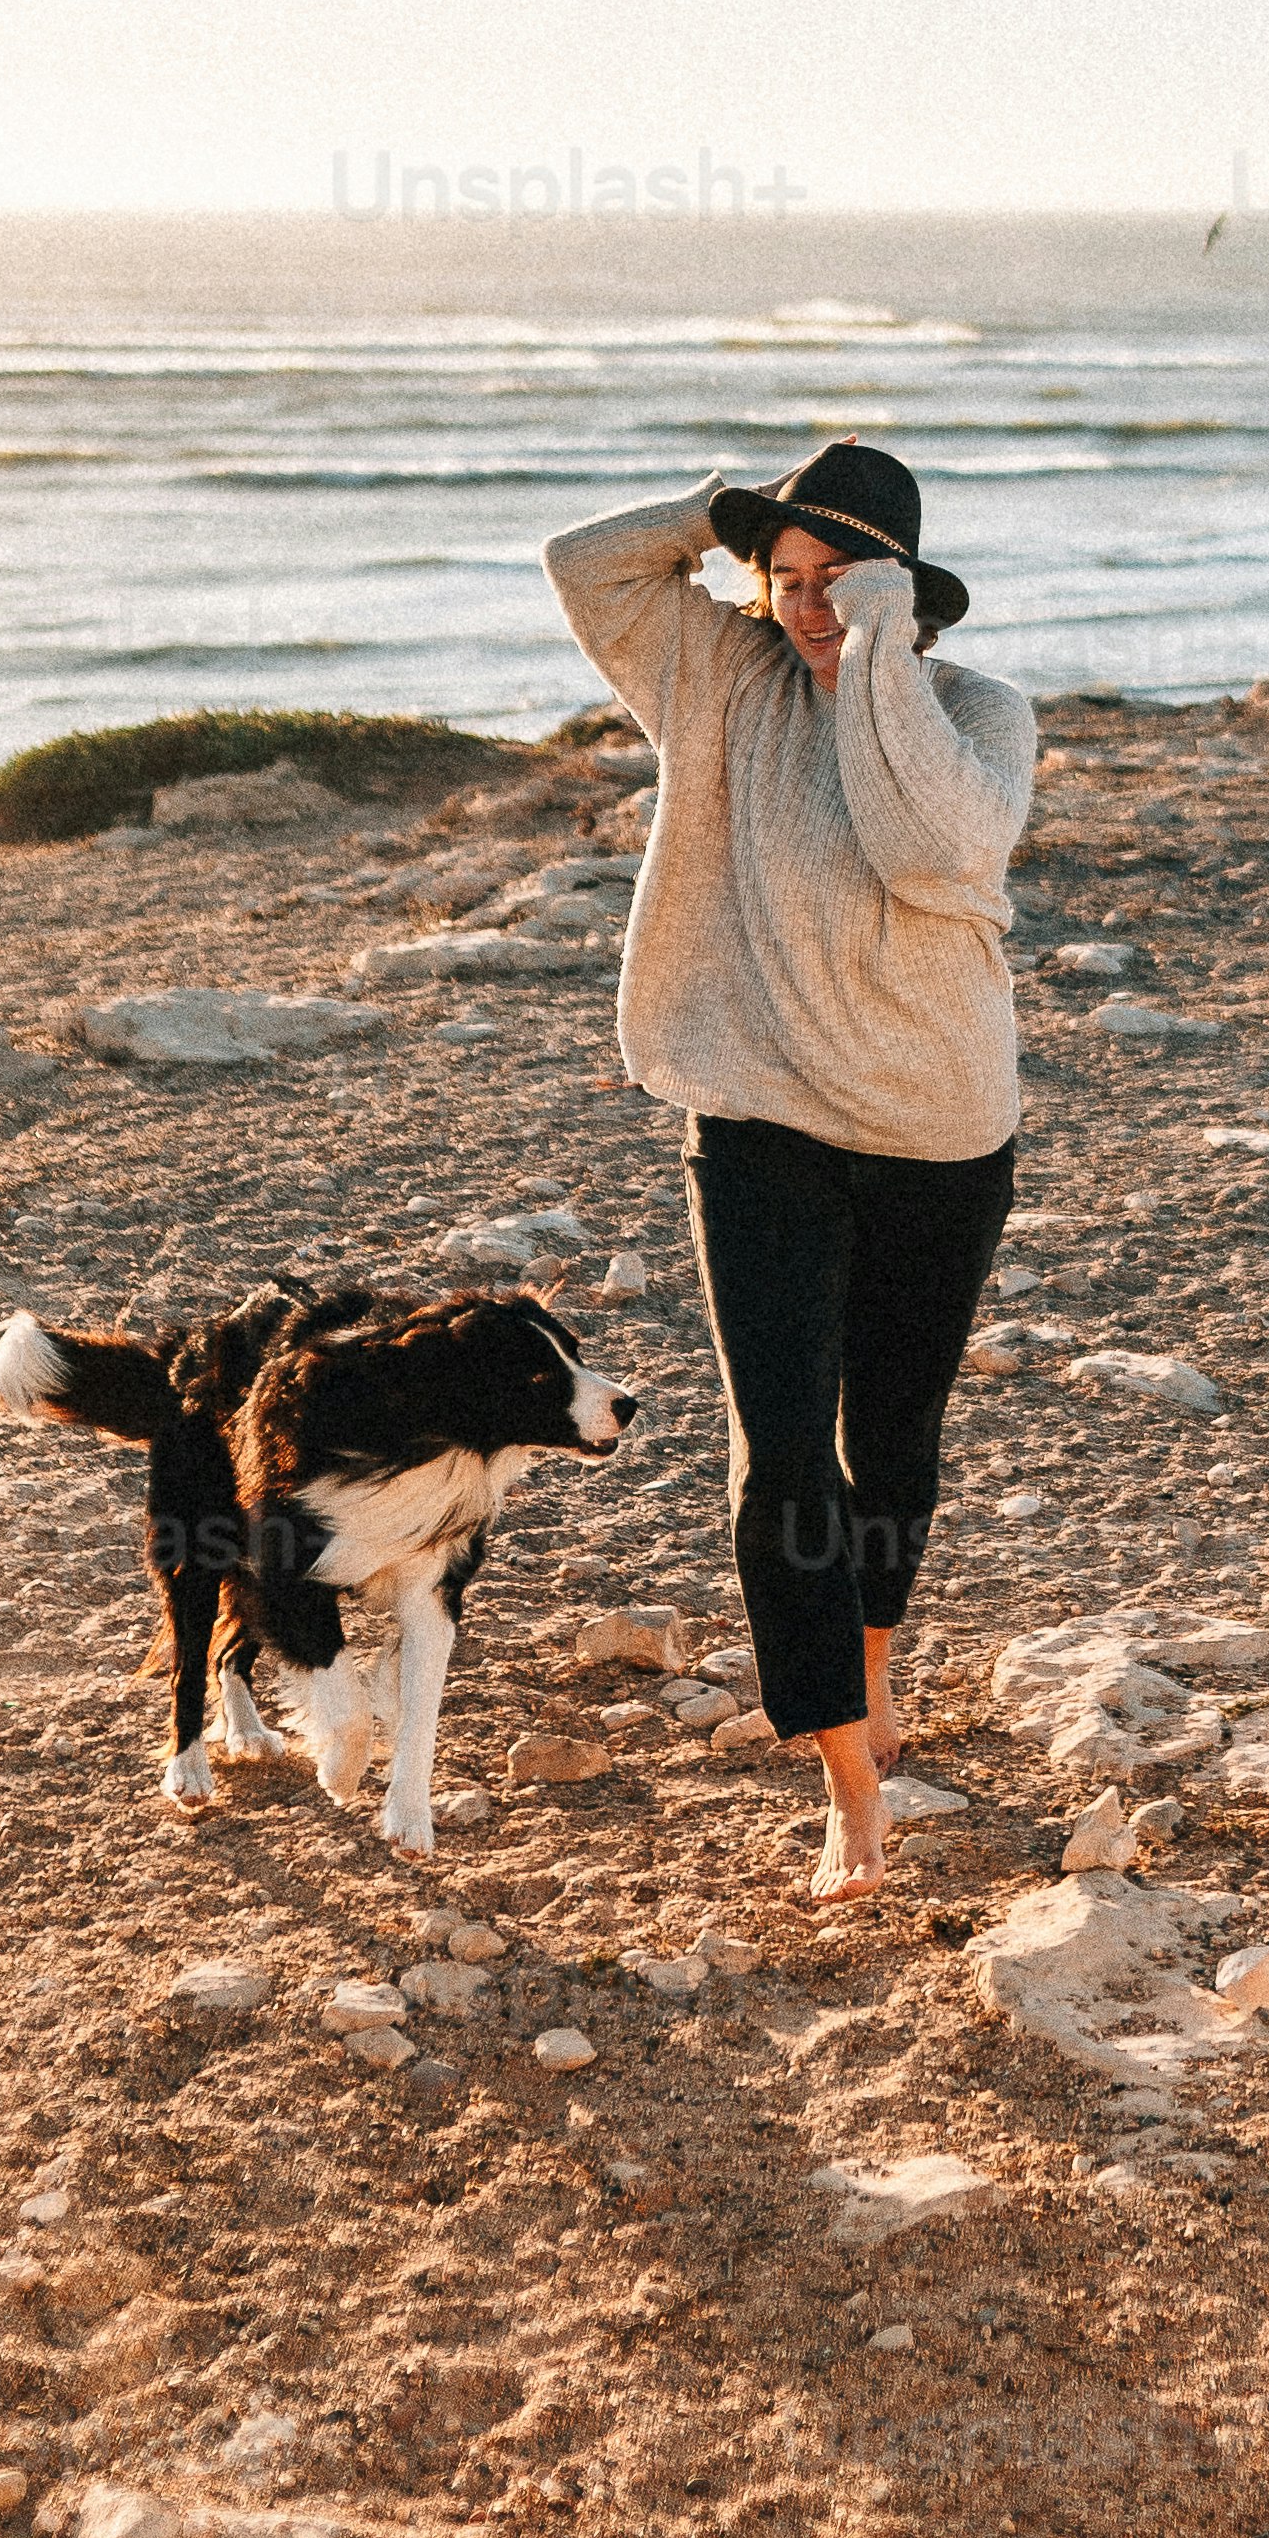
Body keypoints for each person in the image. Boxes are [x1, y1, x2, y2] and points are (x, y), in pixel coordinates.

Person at [541, 439, 1033, 1901]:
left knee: (895, 1448)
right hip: (761, 1124)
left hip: (943, 1133)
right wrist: (721, 512)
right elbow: (583, 566)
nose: (804, 606)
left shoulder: (979, 713)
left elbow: (920, 844)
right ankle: (845, 1774)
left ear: (904, 595)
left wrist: (874, 647)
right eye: (788, 581)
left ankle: (874, 1671)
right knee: (783, 1462)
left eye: (839, 581)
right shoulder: (722, 681)